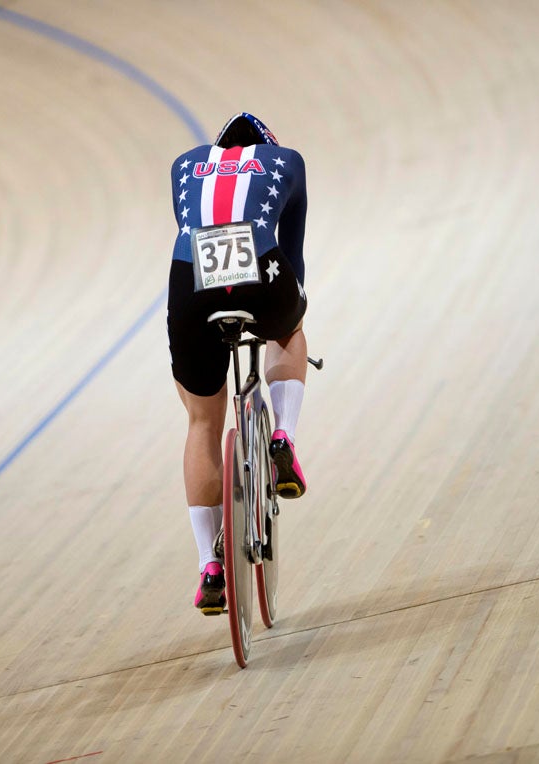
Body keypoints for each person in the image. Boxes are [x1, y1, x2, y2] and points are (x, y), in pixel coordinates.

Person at [167, 113, 310, 615]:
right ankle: (282, 436)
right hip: (262, 267)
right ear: (268, 145)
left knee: (201, 421)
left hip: (190, 281)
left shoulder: (184, 164)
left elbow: (192, 228)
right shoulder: (287, 161)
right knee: (289, 327)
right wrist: (288, 310)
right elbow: (293, 254)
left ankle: (209, 566)